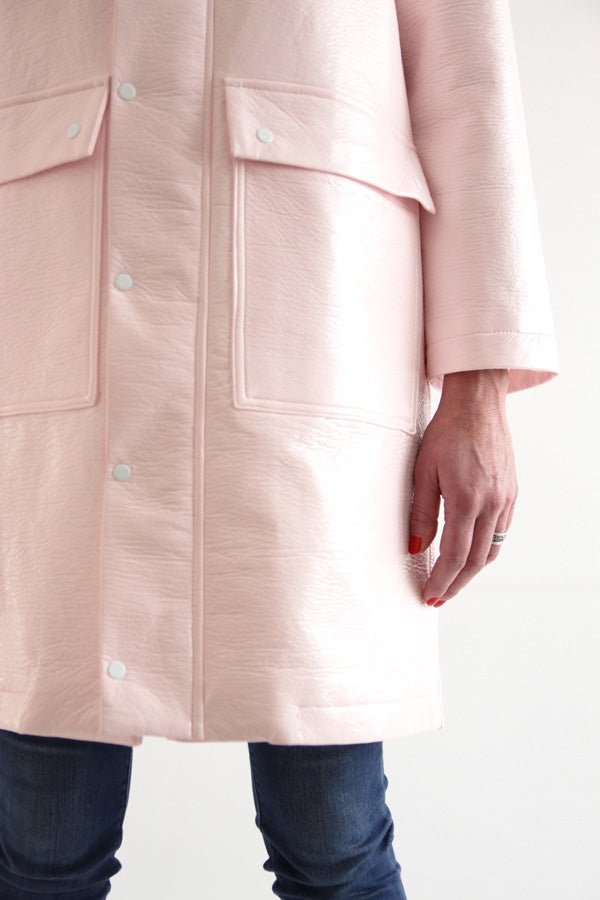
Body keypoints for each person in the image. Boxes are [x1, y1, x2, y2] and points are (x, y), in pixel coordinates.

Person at [0, 0, 559, 897]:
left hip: (315, 352)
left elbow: (470, 96)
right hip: (47, 346)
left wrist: (479, 391)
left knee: (334, 847)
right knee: (36, 853)